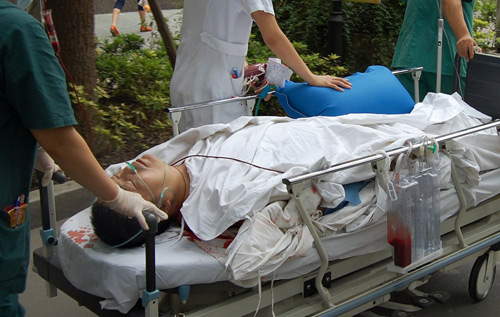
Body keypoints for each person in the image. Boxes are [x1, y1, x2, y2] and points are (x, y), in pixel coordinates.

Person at [0, 2, 167, 315]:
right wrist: (117, 196)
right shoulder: (13, 28)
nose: (127, 169)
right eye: (124, 180)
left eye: (125, 181)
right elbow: (61, 139)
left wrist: (31, 145)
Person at [169, 0, 353, 133]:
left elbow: (211, 33)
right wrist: (311, 77)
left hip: (186, 81)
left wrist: (247, 71)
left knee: (189, 159)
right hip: (213, 91)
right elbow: (272, 36)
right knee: (215, 162)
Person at [392, 0, 480, 101]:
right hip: (447, 62)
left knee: (412, 114)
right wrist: (463, 35)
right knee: (453, 114)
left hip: (410, 58)